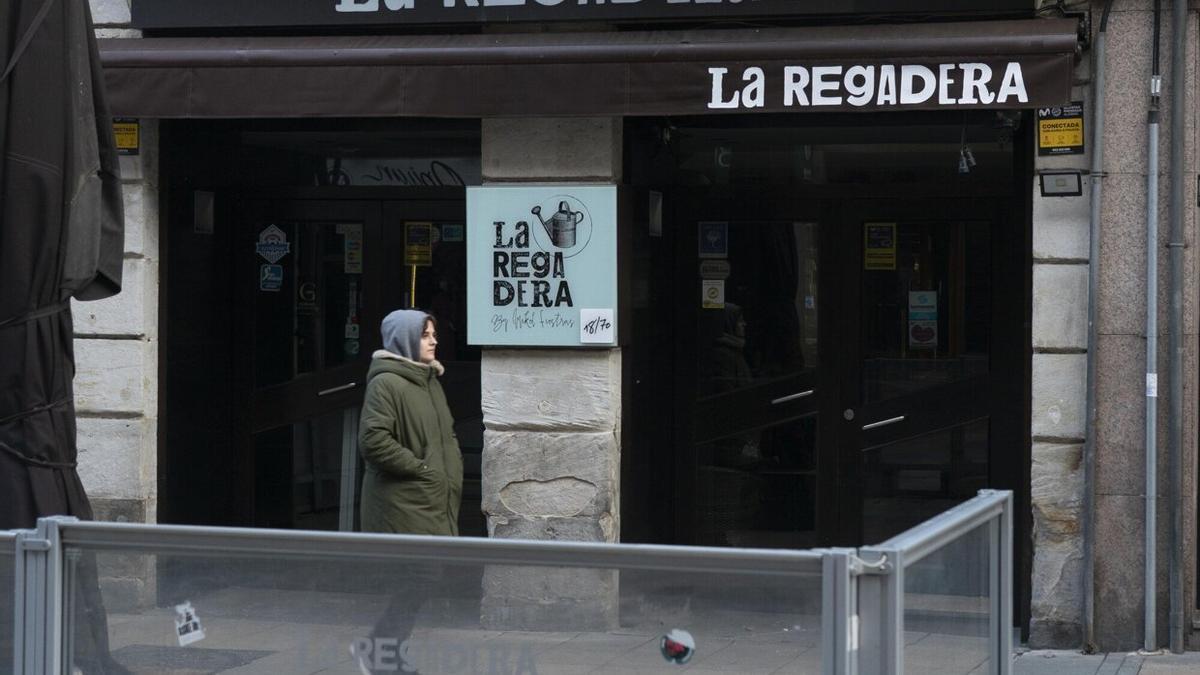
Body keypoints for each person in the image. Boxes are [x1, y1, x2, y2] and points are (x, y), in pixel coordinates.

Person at [355, 309, 463, 674]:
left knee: (419, 582)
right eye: (425, 335)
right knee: (417, 580)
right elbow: (373, 440)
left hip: (426, 501)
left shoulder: (427, 379)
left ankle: (385, 653)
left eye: (433, 334)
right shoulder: (387, 383)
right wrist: (422, 470)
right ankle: (380, 652)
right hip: (403, 503)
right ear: (404, 340)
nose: (434, 340)